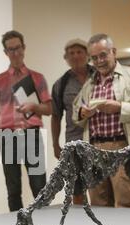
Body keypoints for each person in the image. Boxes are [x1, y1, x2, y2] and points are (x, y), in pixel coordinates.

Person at [72, 34, 130, 208]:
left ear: (114, 52)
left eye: (103, 55)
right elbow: (75, 112)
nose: (99, 61)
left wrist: (119, 107)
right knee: (98, 205)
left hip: (122, 148)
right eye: (94, 58)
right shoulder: (89, 84)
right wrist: (82, 112)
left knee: (128, 202)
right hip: (93, 150)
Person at [0, 30, 52, 212]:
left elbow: (49, 109)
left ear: (24, 48)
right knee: (13, 189)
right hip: (8, 136)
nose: (15, 53)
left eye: (18, 48)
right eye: (10, 49)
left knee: (40, 186)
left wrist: (34, 106)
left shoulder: (37, 78)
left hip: (32, 134)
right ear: (5, 52)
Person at [51, 38, 94, 205]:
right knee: (77, 188)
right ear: (66, 58)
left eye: (79, 52)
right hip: (74, 143)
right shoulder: (60, 84)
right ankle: (80, 224)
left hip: (99, 141)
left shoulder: (100, 77)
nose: (75, 56)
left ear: (87, 54)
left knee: (102, 189)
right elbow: (56, 116)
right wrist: (55, 144)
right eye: (71, 53)